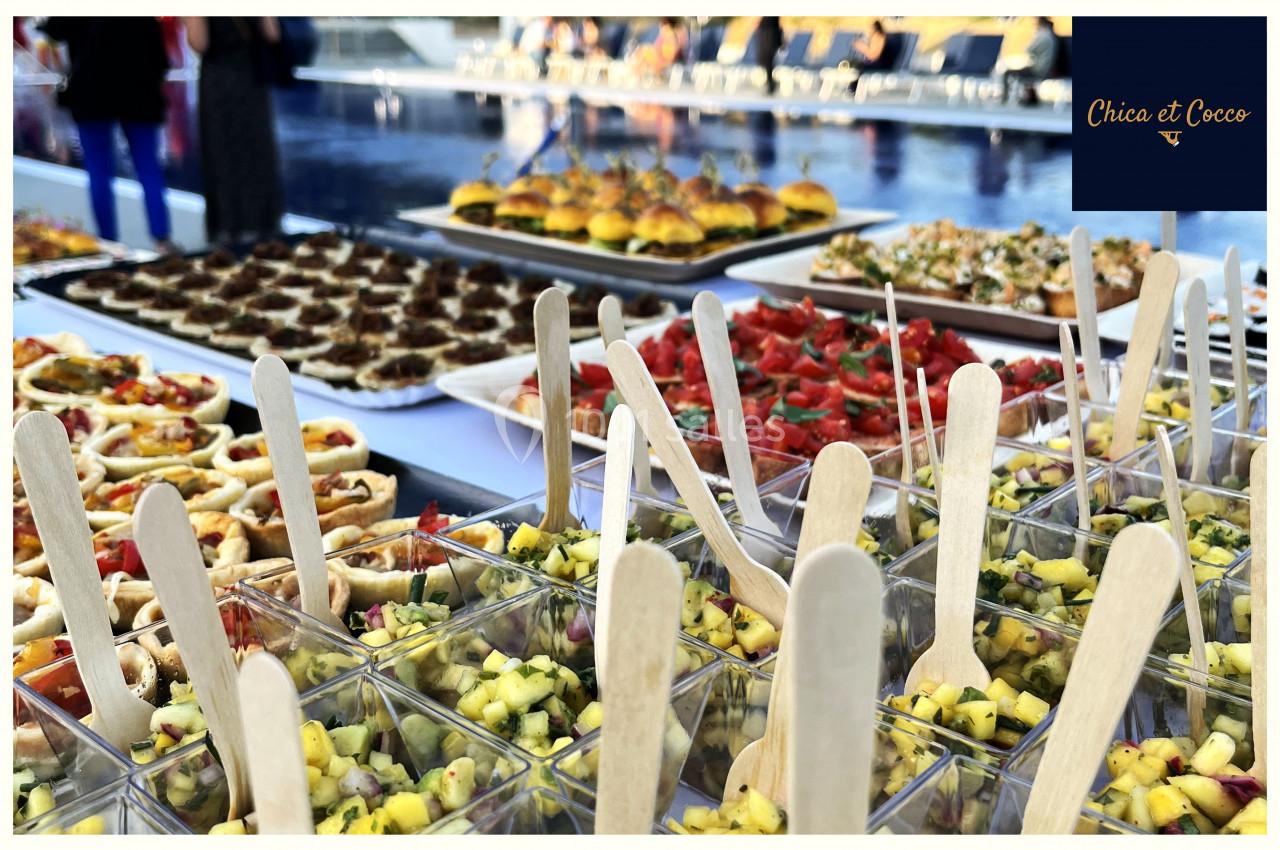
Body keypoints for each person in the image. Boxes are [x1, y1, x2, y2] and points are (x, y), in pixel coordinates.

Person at [39, 17, 176, 252]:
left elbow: (54, 29)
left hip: (92, 92)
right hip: (139, 90)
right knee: (148, 167)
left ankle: (109, 244)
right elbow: (160, 56)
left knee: (99, 169)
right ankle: (162, 239)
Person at [183, 17, 285, 246]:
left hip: (218, 83)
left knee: (223, 156)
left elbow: (199, 43)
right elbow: (273, 34)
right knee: (257, 153)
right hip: (252, 80)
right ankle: (264, 224)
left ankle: (230, 227)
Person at [1003, 17, 1059, 106]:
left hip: (1039, 70)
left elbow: (1029, 49)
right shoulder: (1052, 36)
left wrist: (1035, 37)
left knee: (1008, 73)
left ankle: (1004, 99)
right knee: (1024, 73)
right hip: (1047, 68)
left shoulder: (1043, 36)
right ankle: (1029, 97)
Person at [846, 19, 887, 95]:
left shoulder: (878, 37)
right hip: (873, 63)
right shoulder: (876, 37)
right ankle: (851, 87)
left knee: (860, 67)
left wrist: (862, 47)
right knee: (855, 64)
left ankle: (853, 88)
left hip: (879, 64)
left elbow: (873, 56)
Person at [756, 17, 783, 95]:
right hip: (767, 32)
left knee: (768, 60)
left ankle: (771, 84)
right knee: (765, 60)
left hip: (770, 34)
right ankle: (770, 83)